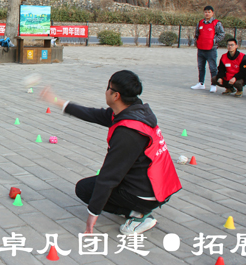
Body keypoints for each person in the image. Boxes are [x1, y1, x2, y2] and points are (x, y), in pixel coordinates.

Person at [40, 70, 182, 235]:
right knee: (93, 185)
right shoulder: (135, 111)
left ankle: (139, 216)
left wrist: (93, 215)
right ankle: (136, 207)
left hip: (147, 193)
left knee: (85, 189)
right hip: (156, 185)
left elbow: (109, 176)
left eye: (108, 87)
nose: (106, 91)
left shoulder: (128, 133)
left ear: (116, 95)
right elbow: (92, 114)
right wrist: (55, 100)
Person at [191, 5, 225, 92]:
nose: (207, 13)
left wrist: (214, 41)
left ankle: (213, 84)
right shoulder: (200, 23)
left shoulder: (217, 23)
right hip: (201, 49)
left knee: (213, 68)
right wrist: (196, 42)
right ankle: (201, 83)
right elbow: (197, 34)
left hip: (211, 49)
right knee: (201, 67)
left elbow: (222, 34)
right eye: (205, 12)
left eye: (209, 12)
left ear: (212, 13)